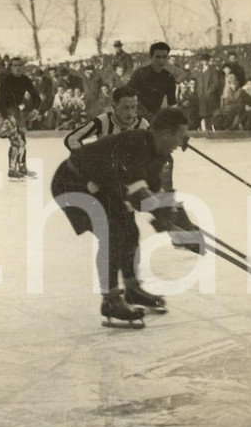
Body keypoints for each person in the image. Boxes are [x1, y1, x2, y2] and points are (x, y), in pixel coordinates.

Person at [50, 108, 200, 327]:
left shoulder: (159, 155)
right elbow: (139, 194)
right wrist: (163, 216)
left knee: (129, 230)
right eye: (181, 136)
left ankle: (132, 290)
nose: (182, 143)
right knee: (113, 232)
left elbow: (152, 195)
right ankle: (110, 300)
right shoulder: (135, 144)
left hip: (101, 185)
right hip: (72, 182)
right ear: (166, 133)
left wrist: (172, 218)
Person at [0, 56, 41, 180]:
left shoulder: (25, 80)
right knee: (17, 142)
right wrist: (6, 119)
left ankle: (22, 167)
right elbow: (1, 103)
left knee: (23, 141)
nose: (18, 68)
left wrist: (35, 109)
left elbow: (36, 97)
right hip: (5, 112)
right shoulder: (5, 81)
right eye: (15, 65)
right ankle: (11, 170)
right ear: (10, 67)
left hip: (17, 112)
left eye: (20, 65)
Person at [64, 86, 149, 151]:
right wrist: (85, 157)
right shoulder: (102, 121)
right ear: (114, 107)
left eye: (133, 107)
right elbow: (72, 138)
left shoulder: (143, 125)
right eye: (125, 108)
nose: (130, 113)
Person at [127, 41, 177, 119]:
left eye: (164, 57)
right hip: (135, 117)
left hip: (155, 118)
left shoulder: (169, 77)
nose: (161, 61)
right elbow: (126, 96)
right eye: (158, 57)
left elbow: (171, 104)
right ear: (151, 57)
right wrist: (142, 113)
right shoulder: (140, 74)